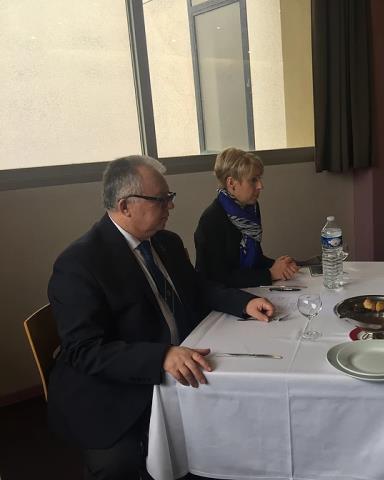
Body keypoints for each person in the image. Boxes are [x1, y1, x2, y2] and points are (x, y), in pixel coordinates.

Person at [47, 155, 274, 480]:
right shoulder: (79, 264)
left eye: (170, 197)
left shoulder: (164, 242)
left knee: (244, 410)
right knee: (118, 466)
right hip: (115, 388)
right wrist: (162, 355)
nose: (170, 206)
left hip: (183, 358)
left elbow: (198, 287)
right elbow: (86, 350)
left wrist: (243, 303)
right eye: (161, 199)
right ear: (125, 206)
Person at [194, 147, 299, 287]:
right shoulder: (211, 220)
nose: (261, 186)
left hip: (248, 289)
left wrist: (279, 265)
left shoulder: (250, 209)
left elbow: (254, 260)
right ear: (231, 183)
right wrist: (271, 273)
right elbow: (217, 278)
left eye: (259, 178)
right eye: (253, 180)